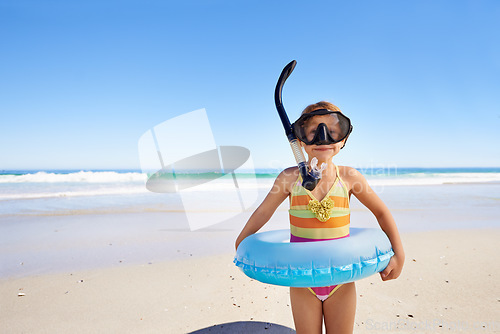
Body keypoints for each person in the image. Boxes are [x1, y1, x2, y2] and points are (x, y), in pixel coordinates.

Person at [235, 101, 405, 334]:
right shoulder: (289, 178)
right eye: (313, 131)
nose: (322, 138)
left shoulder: (349, 177)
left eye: (332, 130)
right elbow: (264, 211)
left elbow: (381, 212)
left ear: (344, 138)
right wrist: (243, 242)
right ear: (299, 139)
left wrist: (399, 254)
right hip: (302, 280)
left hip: (341, 280)